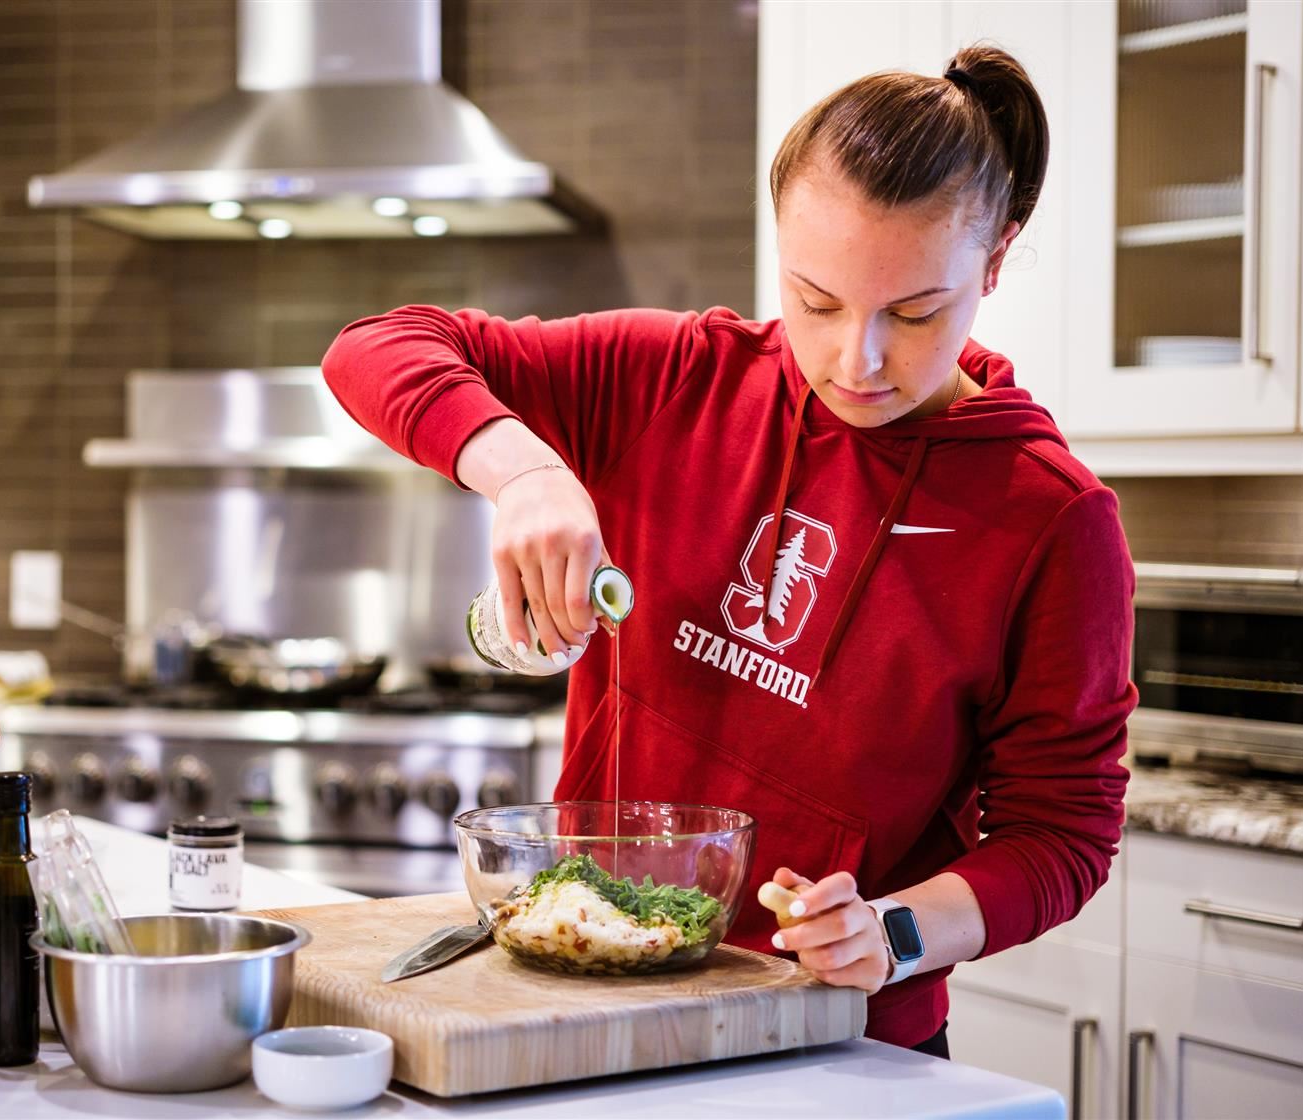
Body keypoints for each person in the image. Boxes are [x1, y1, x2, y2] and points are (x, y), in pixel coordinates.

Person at [321, 44, 1135, 1057]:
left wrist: (898, 930)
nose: (857, 358)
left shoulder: (1053, 519)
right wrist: (525, 473)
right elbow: (378, 345)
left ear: (997, 261)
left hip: (841, 1043)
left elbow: (1064, 835)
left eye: (915, 312)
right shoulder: (677, 377)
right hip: (597, 997)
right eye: (817, 300)